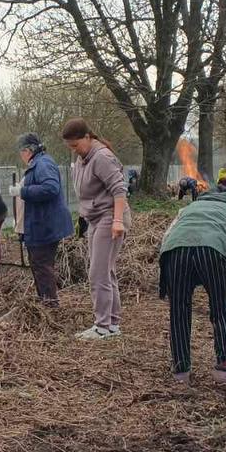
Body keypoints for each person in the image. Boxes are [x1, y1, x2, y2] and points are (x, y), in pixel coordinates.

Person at [158, 189, 226, 385]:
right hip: (213, 249)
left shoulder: (187, 208)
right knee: (221, 305)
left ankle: (180, 370)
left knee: (179, 309)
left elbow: (168, 235)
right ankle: (225, 366)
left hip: (176, 249)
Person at [62, 118, 129, 340]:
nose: (74, 151)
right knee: (105, 270)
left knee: (98, 272)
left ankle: (102, 326)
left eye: (76, 145)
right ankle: (112, 324)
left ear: (88, 137)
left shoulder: (101, 157)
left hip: (110, 217)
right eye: (69, 147)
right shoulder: (84, 159)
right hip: (94, 219)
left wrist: (118, 221)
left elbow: (119, 190)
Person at [9, 132, 73, 306]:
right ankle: (45, 301)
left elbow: (50, 188)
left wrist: (22, 191)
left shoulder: (43, 164)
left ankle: (50, 305)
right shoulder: (40, 163)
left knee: (42, 265)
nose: (20, 156)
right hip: (40, 223)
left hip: (45, 225)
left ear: (28, 150)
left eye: (21, 152)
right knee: (39, 264)